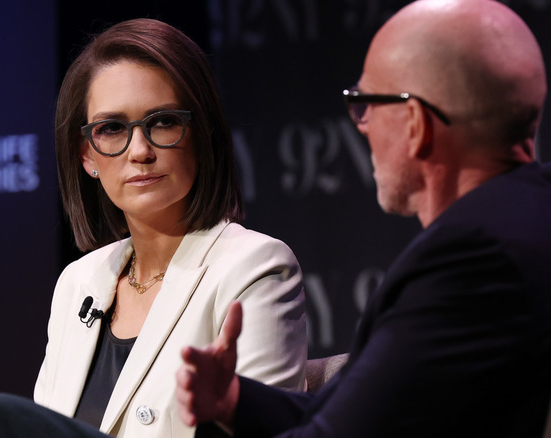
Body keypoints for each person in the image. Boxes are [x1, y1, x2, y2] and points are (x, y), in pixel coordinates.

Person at [0, 18, 307, 438]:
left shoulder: (254, 267)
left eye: (163, 121)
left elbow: (268, 428)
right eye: (112, 129)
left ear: (202, 131)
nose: (140, 151)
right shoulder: (78, 282)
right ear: (88, 157)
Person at [175, 1, 551, 437]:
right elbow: (350, 415)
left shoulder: (472, 261)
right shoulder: (526, 218)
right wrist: (234, 401)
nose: (362, 125)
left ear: (415, 123)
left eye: (366, 103)